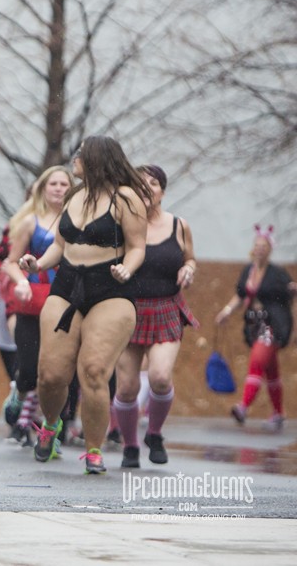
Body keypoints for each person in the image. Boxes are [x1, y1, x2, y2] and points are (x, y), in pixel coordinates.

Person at [18, 136, 150, 473]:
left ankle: (93, 450)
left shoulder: (126, 198)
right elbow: (61, 244)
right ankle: (51, 425)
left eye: (80, 155)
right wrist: (39, 264)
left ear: (96, 160)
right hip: (67, 287)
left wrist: (128, 267)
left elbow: (137, 246)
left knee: (93, 371)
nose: (74, 159)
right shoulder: (74, 196)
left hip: (110, 290)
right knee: (49, 375)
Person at [112, 165, 198, 467]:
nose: (147, 189)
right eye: (140, 184)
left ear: (163, 190)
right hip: (128, 309)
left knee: (160, 378)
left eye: (153, 184)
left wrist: (188, 269)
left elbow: (189, 258)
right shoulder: (121, 226)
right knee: (126, 387)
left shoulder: (179, 225)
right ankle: (130, 446)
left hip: (166, 309)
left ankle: (155, 434)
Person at [1, 166, 74, 446]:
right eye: (53, 183)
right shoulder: (30, 222)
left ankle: (52, 427)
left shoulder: (77, 222)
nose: (58, 188)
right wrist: (21, 281)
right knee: (29, 369)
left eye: (64, 183)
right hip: (32, 301)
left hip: (65, 301)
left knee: (57, 371)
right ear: (43, 188)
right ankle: (18, 395)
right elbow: (9, 261)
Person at [215, 225, 296, 431]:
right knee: (271, 370)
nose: (260, 249)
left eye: (264, 246)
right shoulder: (248, 271)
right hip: (254, 323)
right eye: (257, 245)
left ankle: (243, 407)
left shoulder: (277, 273)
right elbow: (241, 295)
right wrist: (226, 311)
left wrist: (292, 291)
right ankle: (278, 413)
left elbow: (289, 295)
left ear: (269, 249)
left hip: (273, 324)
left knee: (257, 361)